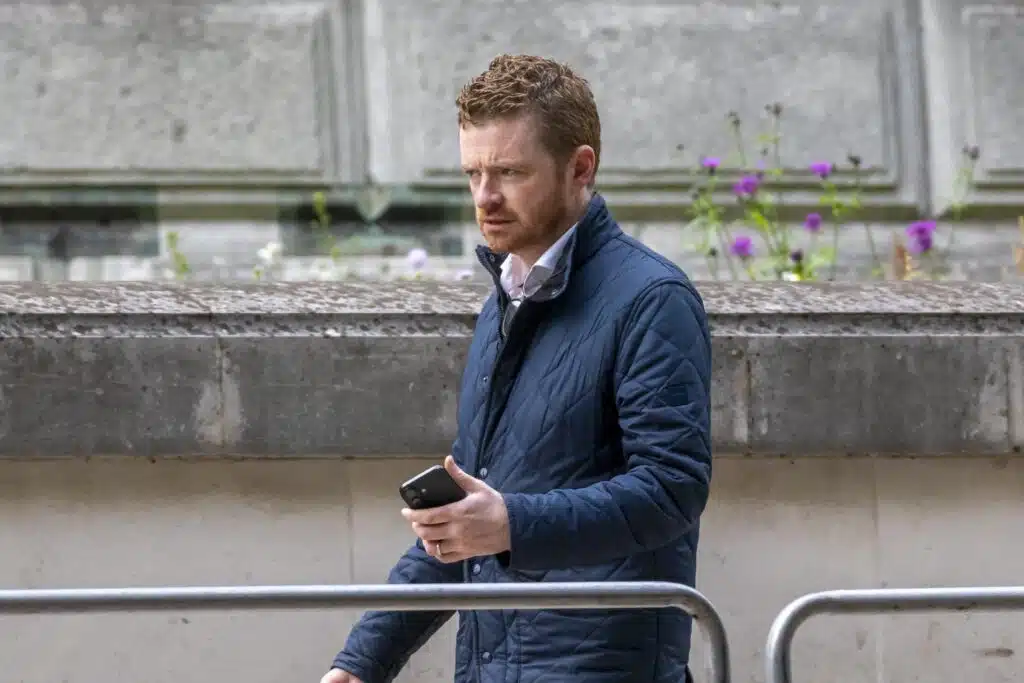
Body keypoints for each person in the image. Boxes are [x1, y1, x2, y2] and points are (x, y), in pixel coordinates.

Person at [321, 53, 712, 683]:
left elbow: (672, 490)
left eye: (509, 172)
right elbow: (466, 520)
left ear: (580, 168)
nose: (485, 197)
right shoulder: (502, 305)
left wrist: (512, 524)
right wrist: (363, 662)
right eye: (473, 173)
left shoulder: (651, 299)